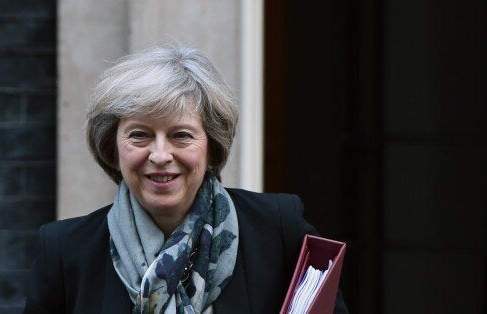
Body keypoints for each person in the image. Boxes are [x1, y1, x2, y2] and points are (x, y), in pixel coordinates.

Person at [23, 45, 348, 313]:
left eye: (181, 135)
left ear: (212, 145)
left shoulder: (278, 228)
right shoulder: (65, 250)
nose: (161, 155)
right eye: (140, 135)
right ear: (112, 145)